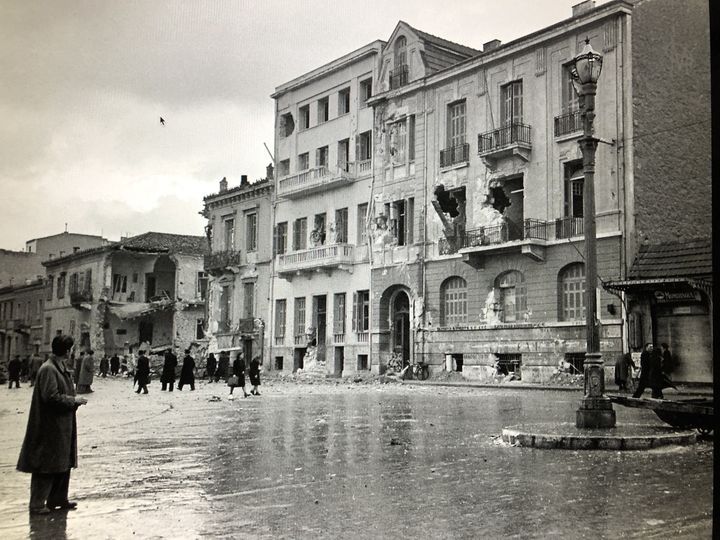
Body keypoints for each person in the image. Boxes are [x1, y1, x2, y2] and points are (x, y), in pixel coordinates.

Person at [17, 334, 88, 514]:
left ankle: (58, 498)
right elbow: (51, 397)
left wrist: (73, 402)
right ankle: (38, 504)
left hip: (61, 425)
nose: (72, 351)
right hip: (50, 426)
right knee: (46, 465)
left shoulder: (59, 367)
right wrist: (74, 400)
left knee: (62, 463)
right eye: (71, 348)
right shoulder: (49, 369)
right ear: (66, 350)